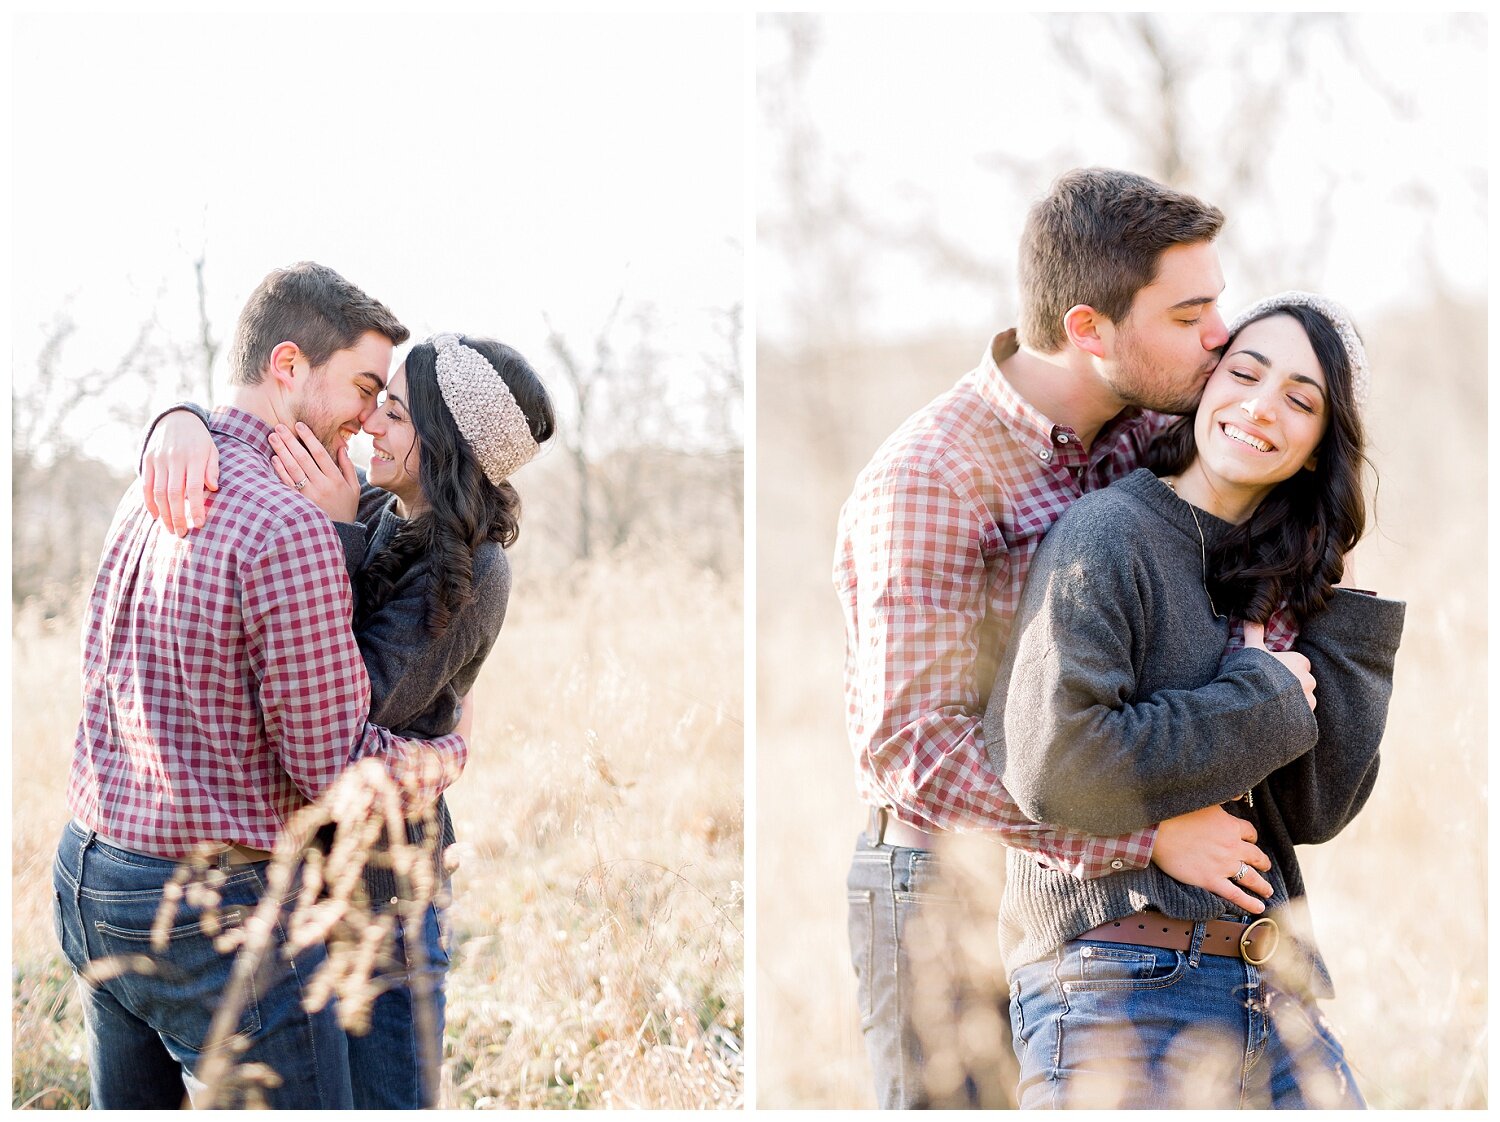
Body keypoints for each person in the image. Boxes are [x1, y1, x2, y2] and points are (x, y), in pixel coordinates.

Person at [835, 168, 1286, 1109]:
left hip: (1096, 914)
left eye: (1221, 306)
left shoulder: (1145, 443)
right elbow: (909, 747)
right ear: (1088, 328)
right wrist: (1144, 835)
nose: (1219, 337)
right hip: (945, 883)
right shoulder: (932, 477)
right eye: (1189, 313)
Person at [52, 262, 471, 1109]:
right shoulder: (293, 529)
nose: (367, 417)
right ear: (287, 368)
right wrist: (442, 756)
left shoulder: (152, 485)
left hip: (88, 878)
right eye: (361, 386)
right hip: (214, 916)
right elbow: (335, 775)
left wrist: (178, 418)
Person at [984, 292, 1404, 1108]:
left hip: (1273, 986)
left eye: (1299, 399)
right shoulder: (1108, 535)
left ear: (1320, 447)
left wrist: (1348, 618)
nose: (1260, 406)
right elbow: (1053, 762)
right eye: (1244, 373)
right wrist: (1261, 698)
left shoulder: (1283, 576)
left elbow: (1317, 809)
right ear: (1207, 387)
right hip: (1119, 981)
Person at [137, 331, 556, 1108]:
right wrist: (179, 419)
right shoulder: (374, 505)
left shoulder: (473, 568)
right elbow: (256, 426)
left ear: (444, 444)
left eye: (394, 413)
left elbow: (342, 709)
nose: (371, 425)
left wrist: (334, 537)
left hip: (385, 899)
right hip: (303, 889)